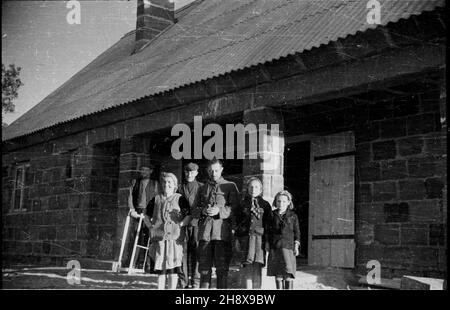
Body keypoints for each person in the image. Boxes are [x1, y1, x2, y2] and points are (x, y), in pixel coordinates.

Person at [196, 158, 239, 289]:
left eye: (216, 170)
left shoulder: (230, 186)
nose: (213, 173)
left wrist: (219, 211)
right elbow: (195, 208)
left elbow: (235, 208)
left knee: (222, 269)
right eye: (211, 170)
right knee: (204, 267)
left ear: (221, 170)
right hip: (205, 233)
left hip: (221, 233)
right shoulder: (202, 188)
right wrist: (203, 210)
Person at [146, 172, 191, 289]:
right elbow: (146, 216)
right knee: (161, 271)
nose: (167, 184)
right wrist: (151, 226)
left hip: (174, 240)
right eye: (165, 182)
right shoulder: (156, 199)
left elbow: (188, 215)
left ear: (175, 184)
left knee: (172, 271)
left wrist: (180, 224)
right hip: (160, 240)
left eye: (170, 182)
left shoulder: (180, 198)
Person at [234, 177, 271, 289]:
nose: (253, 189)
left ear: (260, 189)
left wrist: (267, 240)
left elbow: (268, 223)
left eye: (256, 187)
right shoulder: (242, 204)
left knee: (257, 265)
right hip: (245, 239)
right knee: (247, 265)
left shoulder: (265, 204)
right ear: (247, 189)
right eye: (251, 187)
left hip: (259, 240)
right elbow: (236, 221)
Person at [125, 164, 159, 271]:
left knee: (148, 237)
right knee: (135, 236)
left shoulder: (155, 184)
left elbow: (158, 199)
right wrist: (132, 210)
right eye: (142, 170)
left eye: (146, 170)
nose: (143, 172)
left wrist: (155, 214)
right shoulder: (135, 182)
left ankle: (147, 264)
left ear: (151, 171)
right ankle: (133, 263)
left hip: (149, 213)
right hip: (138, 212)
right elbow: (130, 196)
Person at [266, 190, 300, 290]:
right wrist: (267, 244)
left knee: (288, 272)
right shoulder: (272, 215)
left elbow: (297, 232)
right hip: (275, 248)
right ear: (275, 202)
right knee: (279, 273)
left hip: (288, 248)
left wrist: (296, 245)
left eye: (284, 201)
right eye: (279, 201)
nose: (281, 204)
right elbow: (268, 231)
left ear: (289, 202)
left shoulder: (293, 216)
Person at [177, 162, 203, 289]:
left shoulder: (201, 187)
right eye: (187, 172)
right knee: (182, 253)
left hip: (196, 224)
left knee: (197, 252)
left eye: (192, 172)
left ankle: (196, 281)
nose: (189, 174)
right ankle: (183, 281)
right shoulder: (179, 188)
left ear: (196, 173)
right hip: (182, 224)